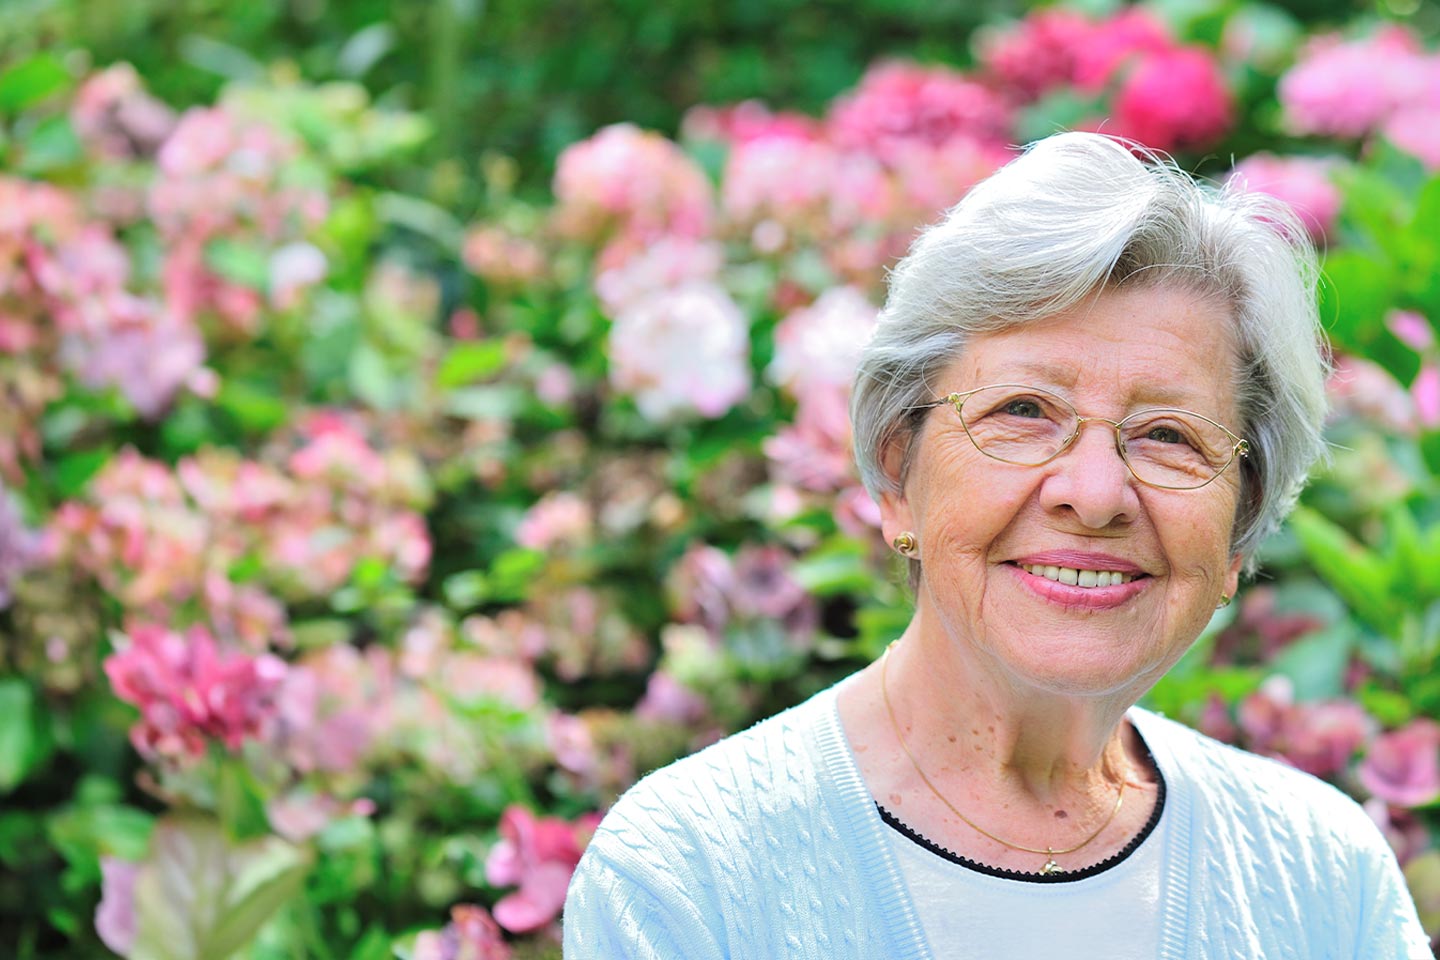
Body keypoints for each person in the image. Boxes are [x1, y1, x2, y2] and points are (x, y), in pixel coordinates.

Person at [561, 132, 1432, 958]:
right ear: (899, 472)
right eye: (1023, 413)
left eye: (1170, 435)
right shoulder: (693, 874)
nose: (1094, 496)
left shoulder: (1323, 881)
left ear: (1241, 524)